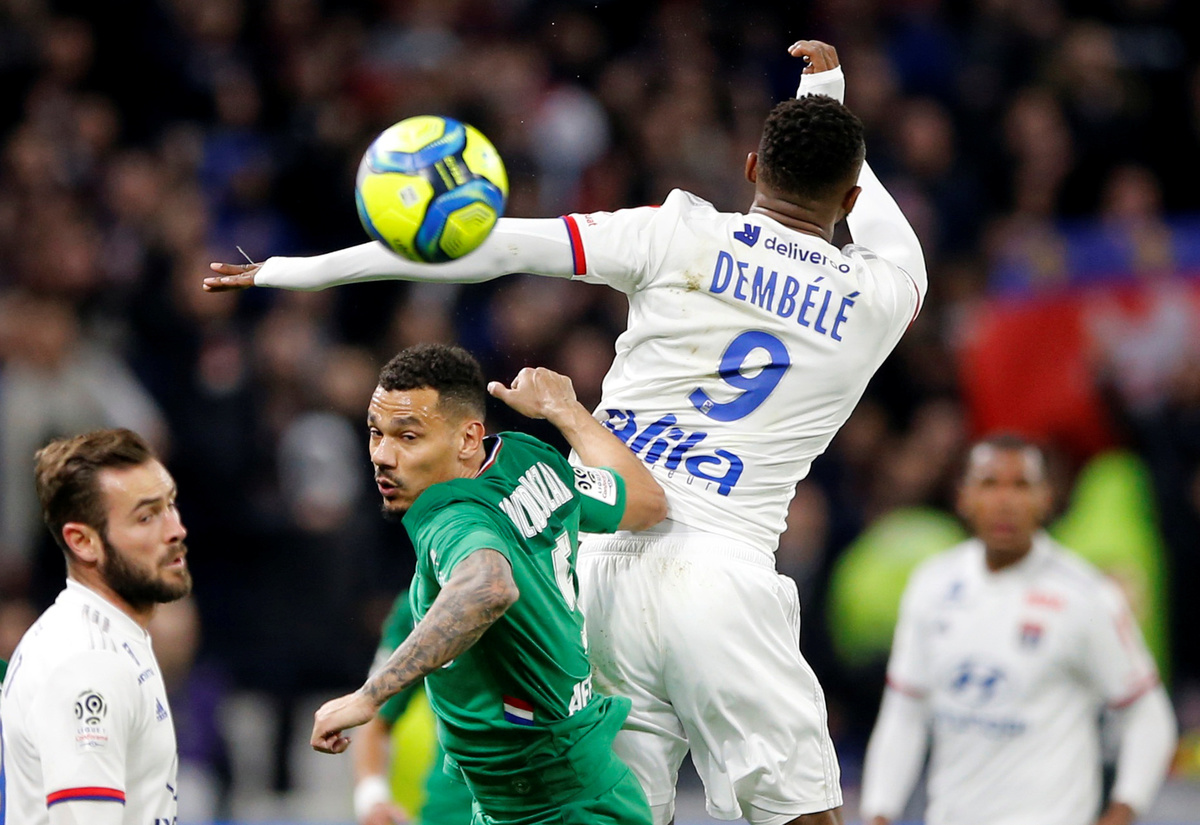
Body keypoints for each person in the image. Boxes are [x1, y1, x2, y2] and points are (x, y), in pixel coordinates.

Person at [209, 41, 923, 825]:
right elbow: (885, 229)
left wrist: (293, 269)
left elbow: (488, 246)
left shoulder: (673, 234)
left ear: (751, 167)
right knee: (801, 813)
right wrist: (827, 92)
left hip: (596, 565)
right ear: (850, 198)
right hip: (724, 574)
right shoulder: (882, 295)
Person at [308, 344, 667, 825]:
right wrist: (566, 411)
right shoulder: (528, 459)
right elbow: (645, 502)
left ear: (467, 439)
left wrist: (367, 696)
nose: (383, 456)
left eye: (409, 436)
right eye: (376, 433)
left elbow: (488, 586)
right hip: (557, 785)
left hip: (549, 803)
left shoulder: (449, 517)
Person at [859, 435, 1178, 825]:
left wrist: (1121, 812)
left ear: (1046, 499)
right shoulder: (932, 584)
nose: (1005, 501)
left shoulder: (1086, 595)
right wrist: (879, 812)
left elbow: (1148, 714)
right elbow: (905, 712)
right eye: (989, 484)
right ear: (963, 497)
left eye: (1021, 485)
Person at [0, 428, 190, 825]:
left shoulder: (111, 636)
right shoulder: (87, 661)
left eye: (170, 504)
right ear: (83, 541)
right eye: (146, 516)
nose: (176, 529)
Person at [352, 587, 473, 825]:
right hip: (454, 812)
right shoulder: (424, 599)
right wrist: (372, 799)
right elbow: (374, 717)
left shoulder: (549, 591)